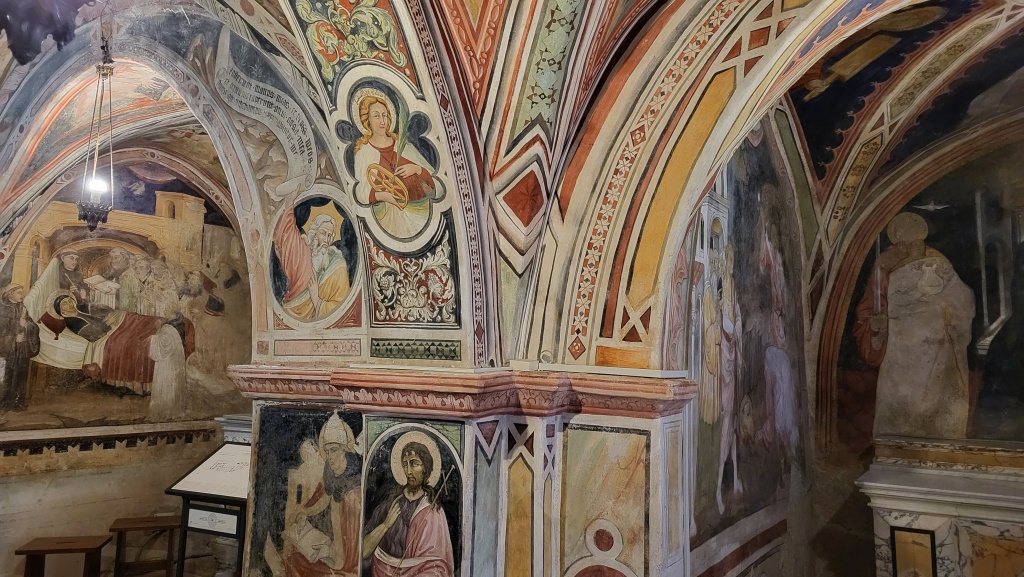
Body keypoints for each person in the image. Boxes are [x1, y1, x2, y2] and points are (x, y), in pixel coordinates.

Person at [853, 212, 974, 438]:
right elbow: (871, 305)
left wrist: (950, 323)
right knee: (899, 418)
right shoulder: (885, 264)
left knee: (937, 411)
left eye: (913, 238)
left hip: (936, 348)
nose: (908, 246)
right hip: (898, 353)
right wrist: (878, 323)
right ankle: (896, 446)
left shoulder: (938, 264)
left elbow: (962, 302)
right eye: (903, 240)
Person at [362, 436, 454, 577]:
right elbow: (362, 552)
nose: (409, 471)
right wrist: (385, 525)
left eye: (414, 463)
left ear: (425, 468)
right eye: (405, 464)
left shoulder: (434, 511)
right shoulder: (390, 504)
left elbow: (438, 567)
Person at [284, 412, 361, 577]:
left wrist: (329, 551)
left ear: (345, 450)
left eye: (334, 450)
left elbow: (352, 543)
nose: (330, 457)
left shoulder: (354, 492)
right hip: (331, 551)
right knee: (293, 560)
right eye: (327, 451)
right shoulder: (330, 475)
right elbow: (322, 499)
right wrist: (305, 512)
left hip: (344, 561)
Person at [353, 94, 437, 239]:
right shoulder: (364, 153)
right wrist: (381, 196)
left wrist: (416, 169)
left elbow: (436, 182)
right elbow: (359, 193)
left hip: (421, 212)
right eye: (376, 116)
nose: (382, 121)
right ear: (367, 120)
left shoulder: (403, 146)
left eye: (385, 115)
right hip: (387, 220)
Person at [273, 204, 352, 319]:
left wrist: (316, 299)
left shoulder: (338, 265)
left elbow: (341, 308)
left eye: (330, 235)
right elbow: (285, 240)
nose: (326, 240)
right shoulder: (303, 254)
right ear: (314, 234)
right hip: (292, 310)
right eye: (323, 233)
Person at [0, 284, 40, 410]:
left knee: (21, 374)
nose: (22, 295)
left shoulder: (22, 307)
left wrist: (27, 326)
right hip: (11, 347)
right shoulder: (4, 309)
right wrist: (17, 331)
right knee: (10, 374)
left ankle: (18, 401)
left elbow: (33, 325)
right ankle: (7, 401)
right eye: (19, 292)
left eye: (22, 292)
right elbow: (2, 328)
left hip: (22, 348)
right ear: (10, 294)